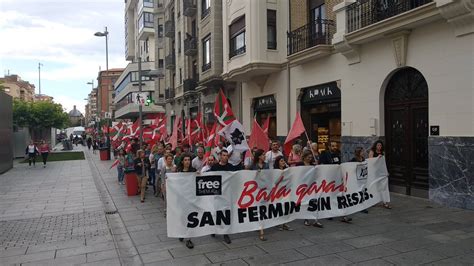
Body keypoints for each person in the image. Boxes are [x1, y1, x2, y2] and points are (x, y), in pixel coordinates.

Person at [209, 149, 238, 244]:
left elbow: (240, 174)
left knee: (226, 214)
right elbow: (208, 176)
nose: (225, 157)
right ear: (220, 156)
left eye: (226, 155)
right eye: (224, 155)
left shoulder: (231, 167)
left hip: (227, 195)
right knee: (216, 213)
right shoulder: (215, 167)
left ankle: (225, 233)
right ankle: (214, 229)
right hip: (217, 195)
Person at [296, 151, 324, 228]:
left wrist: (317, 168)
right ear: (304, 157)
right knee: (305, 202)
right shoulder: (299, 164)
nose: (310, 159)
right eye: (308, 157)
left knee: (314, 202)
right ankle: (306, 219)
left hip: (312, 186)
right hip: (303, 187)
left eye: (311, 157)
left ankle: (316, 220)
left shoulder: (313, 165)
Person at [176, 153, 195, 249]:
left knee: (189, 218)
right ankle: (182, 232)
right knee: (182, 217)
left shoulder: (193, 171)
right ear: (182, 161)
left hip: (190, 199)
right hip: (181, 199)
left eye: (189, 160)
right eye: (186, 160)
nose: (187, 161)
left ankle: (188, 239)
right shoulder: (178, 172)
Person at [250, 149, 269, 241]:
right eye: (263, 154)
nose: (264, 156)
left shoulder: (266, 165)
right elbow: (248, 177)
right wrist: (255, 174)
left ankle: (260, 225)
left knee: (263, 208)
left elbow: (270, 175)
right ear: (259, 156)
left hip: (265, 189)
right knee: (258, 209)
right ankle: (261, 231)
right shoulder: (253, 166)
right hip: (256, 190)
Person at [368, 140, 391, 209]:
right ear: (375, 145)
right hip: (374, 173)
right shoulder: (372, 152)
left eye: (380, 145)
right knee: (374, 187)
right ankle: (373, 201)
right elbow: (371, 162)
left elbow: (383, 164)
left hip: (381, 173)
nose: (379, 147)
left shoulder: (382, 152)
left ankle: (385, 202)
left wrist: (386, 172)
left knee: (384, 187)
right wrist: (378, 158)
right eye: (378, 145)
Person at [273, 156, 294, 232]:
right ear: (278, 162)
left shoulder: (287, 170)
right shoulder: (275, 171)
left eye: (284, 161)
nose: (283, 162)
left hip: (286, 190)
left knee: (287, 206)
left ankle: (285, 223)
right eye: (281, 161)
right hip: (278, 191)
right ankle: (279, 223)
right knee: (279, 206)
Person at [351, 147, 369, 214]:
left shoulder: (363, 159)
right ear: (358, 153)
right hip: (357, 178)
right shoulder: (354, 159)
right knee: (359, 192)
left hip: (362, 178)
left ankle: (362, 205)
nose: (363, 153)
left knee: (362, 191)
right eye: (361, 152)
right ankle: (360, 206)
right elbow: (350, 166)